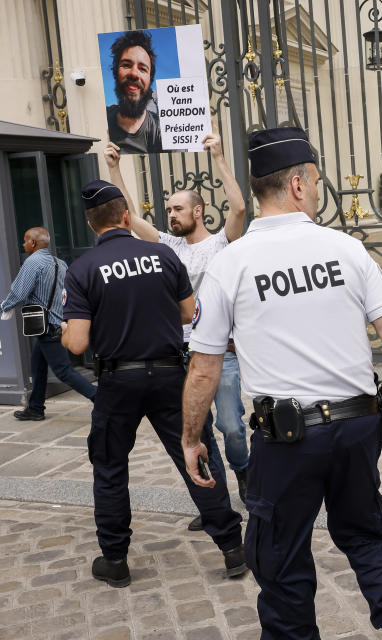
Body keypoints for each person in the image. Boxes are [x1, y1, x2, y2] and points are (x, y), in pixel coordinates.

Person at [180, 126, 382, 640]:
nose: (319, 191)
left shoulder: (230, 263)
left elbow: (205, 367)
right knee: (366, 539)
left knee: (279, 561)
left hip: (287, 442)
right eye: (317, 182)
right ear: (298, 184)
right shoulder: (346, 249)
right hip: (356, 429)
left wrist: (191, 438)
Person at [60, 180, 245, 588]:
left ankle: (115, 560)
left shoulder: (83, 270)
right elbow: (189, 313)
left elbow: (76, 342)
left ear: (92, 225)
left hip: (117, 379)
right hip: (168, 374)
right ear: (126, 216)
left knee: (109, 469)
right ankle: (232, 548)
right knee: (196, 455)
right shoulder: (162, 255)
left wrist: (65, 330)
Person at [105, 122, 249, 525]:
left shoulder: (222, 243)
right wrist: (116, 169)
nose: (170, 215)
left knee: (232, 428)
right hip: (181, 355)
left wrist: (218, 157)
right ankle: (215, 501)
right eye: (168, 209)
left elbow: (239, 208)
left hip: (222, 353)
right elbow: (130, 217)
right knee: (198, 433)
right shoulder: (167, 247)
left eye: (177, 209)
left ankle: (247, 477)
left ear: (197, 211)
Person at [0, 228, 97, 419]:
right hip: (57, 323)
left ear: (33, 243)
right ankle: (35, 408)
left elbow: (19, 292)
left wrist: (4, 307)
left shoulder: (32, 262)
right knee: (38, 365)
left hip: (48, 326)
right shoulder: (59, 263)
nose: (23, 244)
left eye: (25, 241)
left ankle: (101, 398)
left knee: (64, 371)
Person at [106, 30, 162, 154]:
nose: (134, 74)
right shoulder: (103, 118)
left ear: (150, 80)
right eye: (126, 65)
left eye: (142, 69)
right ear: (116, 73)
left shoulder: (161, 130)